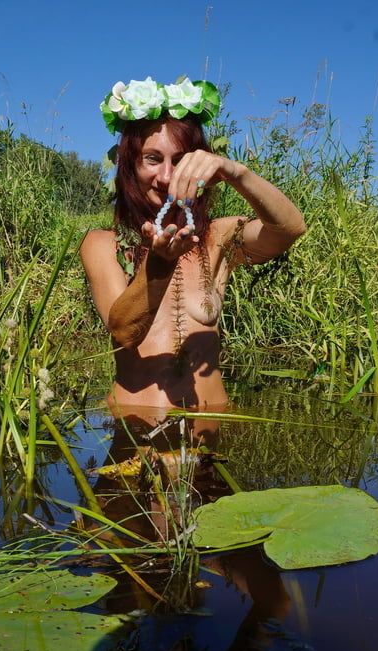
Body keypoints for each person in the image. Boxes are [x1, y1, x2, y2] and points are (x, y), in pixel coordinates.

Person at [81, 76, 306, 414]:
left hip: (207, 429)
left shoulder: (217, 237)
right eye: (153, 159)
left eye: (182, 160)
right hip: (132, 427)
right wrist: (159, 265)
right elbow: (124, 333)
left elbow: (289, 228)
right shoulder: (103, 243)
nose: (168, 177)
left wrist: (236, 173)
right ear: (130, 165)